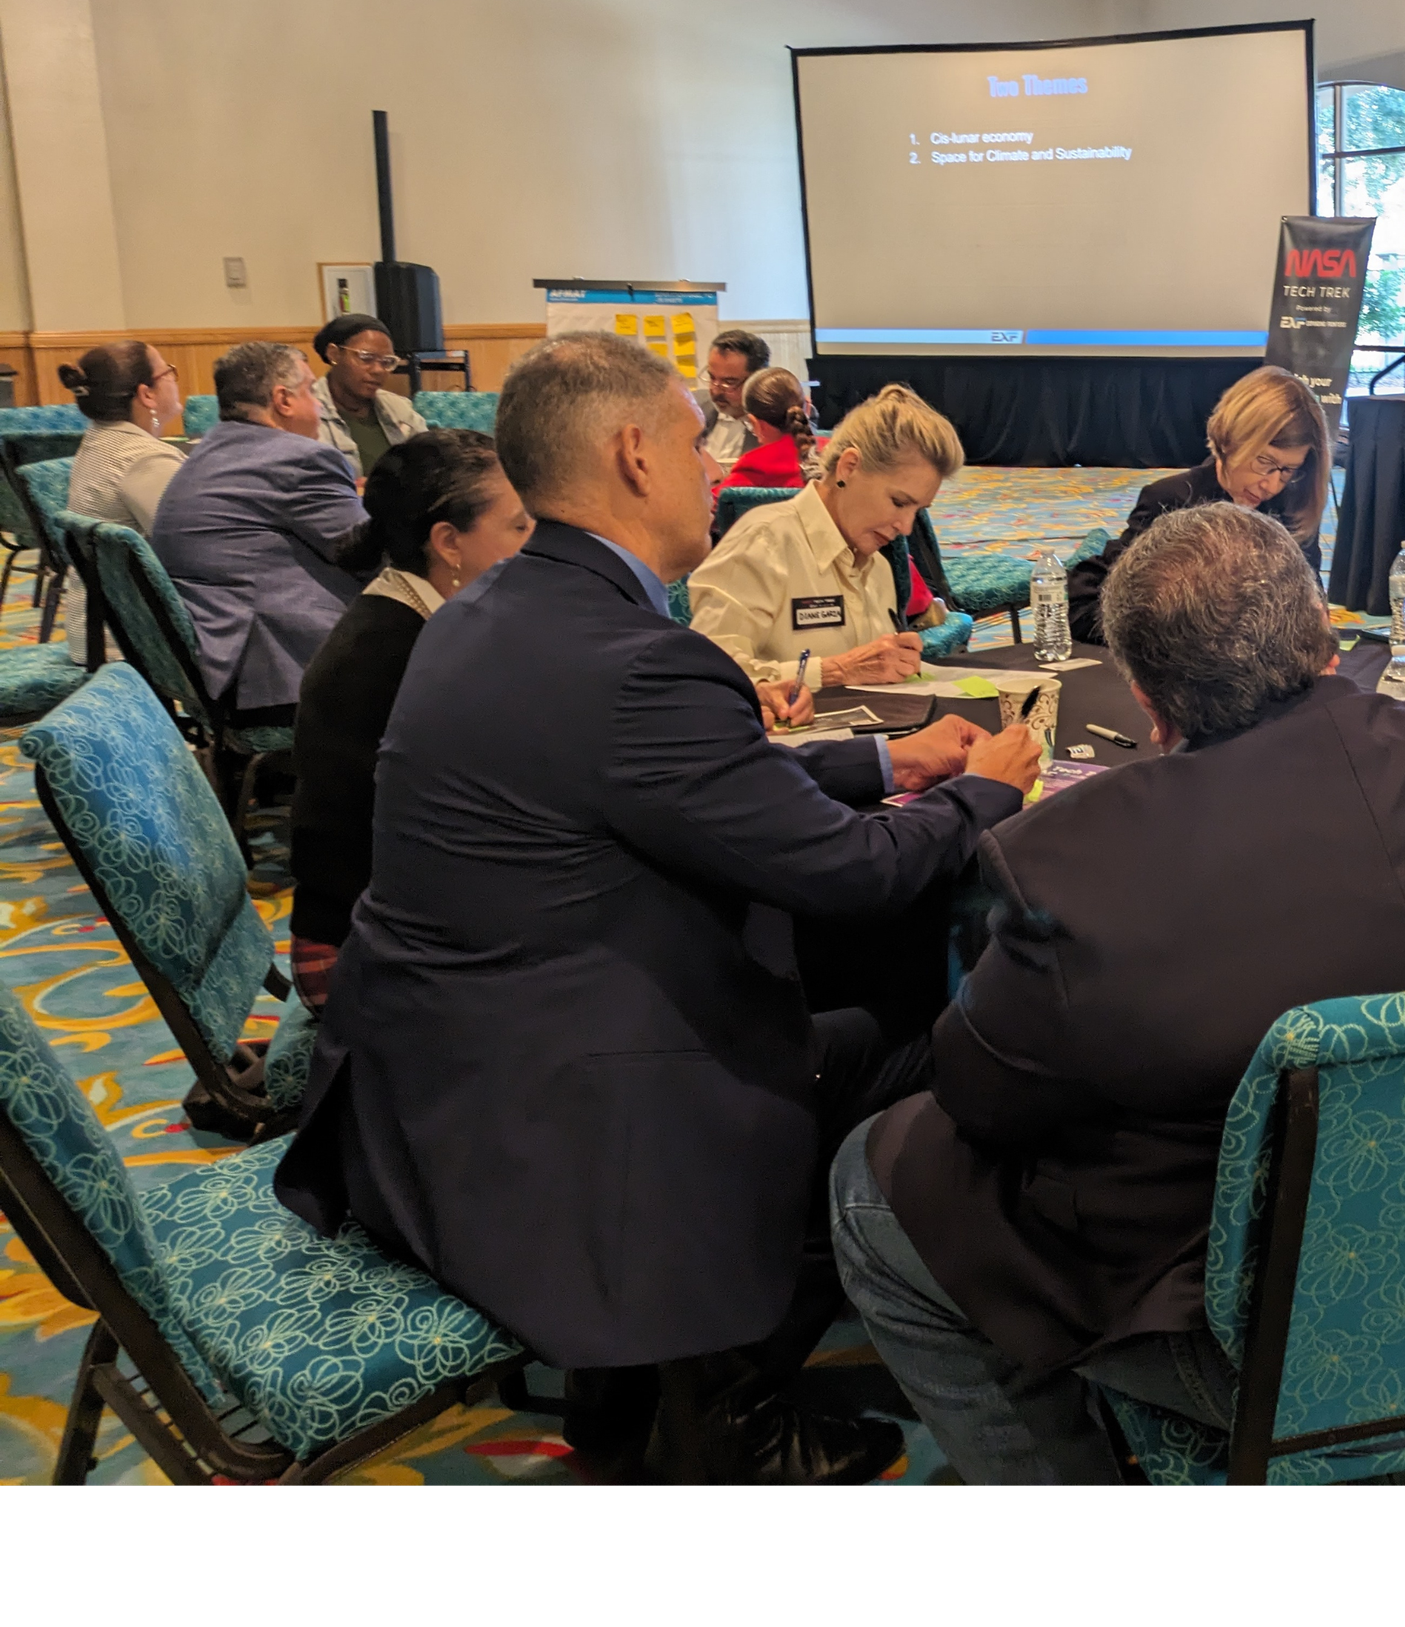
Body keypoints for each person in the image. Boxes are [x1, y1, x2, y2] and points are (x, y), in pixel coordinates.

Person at [275, 332, 1042, 1488]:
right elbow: (847, 872)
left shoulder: (489, 606)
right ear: (635, 454)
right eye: (694, 443)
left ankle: (636, 1380)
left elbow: (683, 778)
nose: (715, 466)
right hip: (547, 1098)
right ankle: (726, 1416)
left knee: (848, 1017)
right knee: (938, 1048)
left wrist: (889, 765)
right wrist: (987, 788)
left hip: (432, 1057)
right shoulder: (637, 655)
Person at [828, 502, 1405, 1486]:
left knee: (874, 1178)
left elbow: (980, 1096)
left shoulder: (1079, 864)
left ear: (1147, 702)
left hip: (1283, 1347)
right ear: (1326, 639)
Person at [285, 432, 535, 1009]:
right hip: (362, 959)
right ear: (448, 542)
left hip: (397, 921)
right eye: (520, 526)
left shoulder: (415, 615)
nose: (537, 542)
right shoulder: (395, 654)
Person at [689, 382, 960, 692]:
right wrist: (836, 671)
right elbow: (706, 680)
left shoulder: (878, 569)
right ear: (848, 467)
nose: (906, 527)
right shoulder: (763, 544)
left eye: (917, 510)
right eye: (899, 502)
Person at [152, 342, 364, 714]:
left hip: (220, 660)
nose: (319, 406)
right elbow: (369, 555)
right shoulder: (301, 457)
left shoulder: (209, 449)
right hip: (282, 669)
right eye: (311, 392)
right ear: (283, 400)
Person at [1066, 364, 1327, 644]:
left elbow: (1309, 609)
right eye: (1265, 462)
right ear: (1231, 439)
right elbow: (1091, 607)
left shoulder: (1292, 508)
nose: (1273, 485)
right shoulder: (1172, 501)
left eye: (1288, 470)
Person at [61, 339, 187, 534]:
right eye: (167, 372)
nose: (173, 377)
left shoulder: (98, 435)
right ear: (147, 394)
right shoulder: (147, 460)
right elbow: (195, 540)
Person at [311, 314, 427, 476]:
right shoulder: (305, 412)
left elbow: (430, 464)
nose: (378, 370)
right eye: (366, 358)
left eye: (386, 362)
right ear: (334, 354)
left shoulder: (399, 408)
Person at [700, 328, 771, 479]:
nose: (715, 390)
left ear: (758, 379)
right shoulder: (694, 408)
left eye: (729, 382)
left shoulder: (777, 424)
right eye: (712, 378)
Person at [722, 366, 807, 491]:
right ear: (807, 410)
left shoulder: (752, 467)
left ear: (756, 425)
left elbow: (714, 500)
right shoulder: (831, 456)